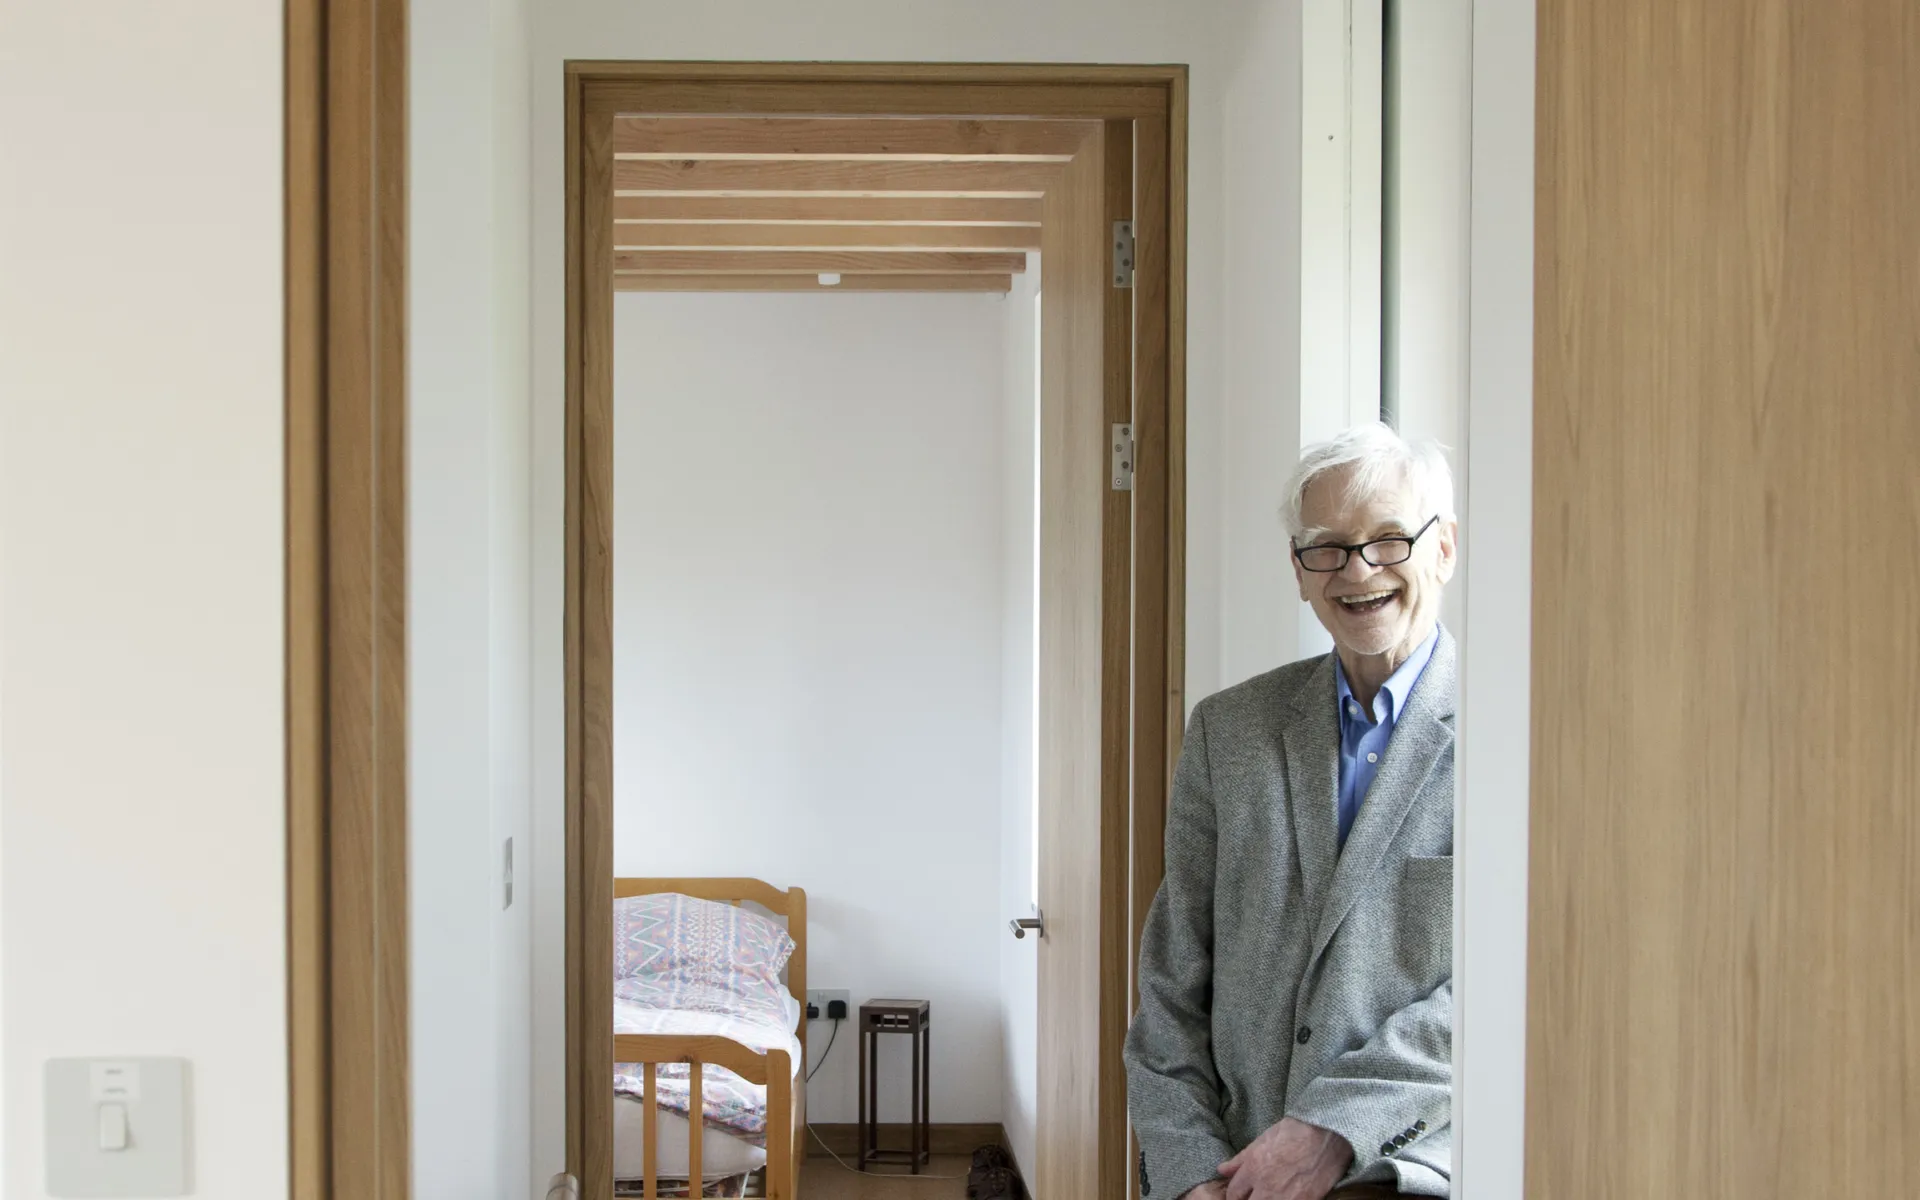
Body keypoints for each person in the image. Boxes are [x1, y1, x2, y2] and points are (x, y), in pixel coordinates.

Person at [1126, 423, 1458, 1200]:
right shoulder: (1228, 729)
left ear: (1443, 548)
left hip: (1405, 1173)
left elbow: (1509, 984)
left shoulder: (1522, 741)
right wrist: (1186, 1175)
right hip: (1226, 1177)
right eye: (1328, 547)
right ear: (1299, 572)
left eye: (1388, 539)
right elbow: (1173, 976)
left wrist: (1331, 1129)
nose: (1358, 569)